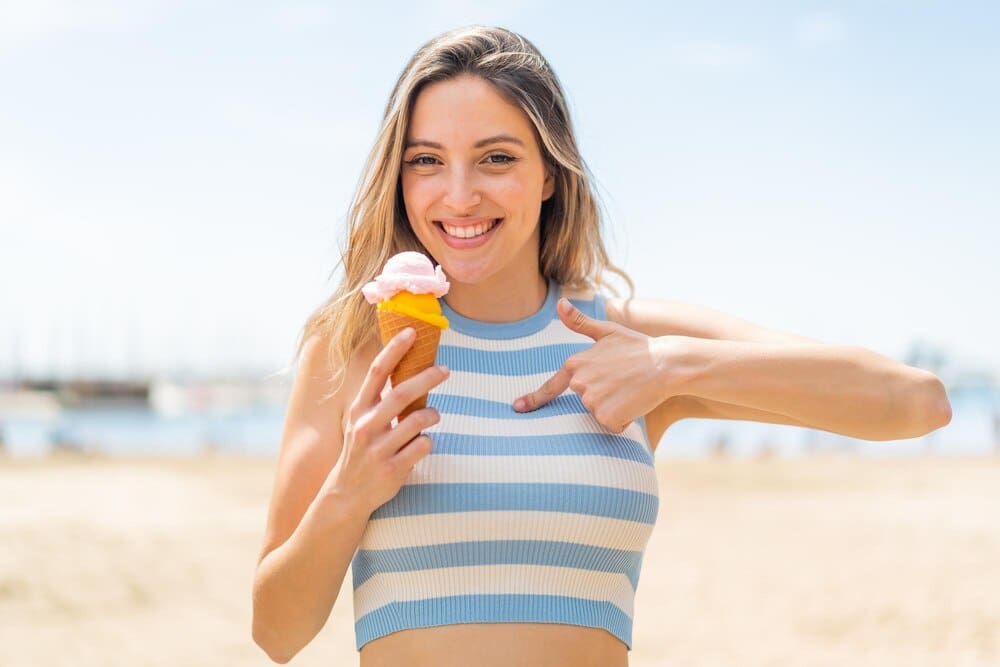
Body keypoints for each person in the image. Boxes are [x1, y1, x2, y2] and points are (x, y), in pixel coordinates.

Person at [251, 25, 953, 666]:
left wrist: (673, 363)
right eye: (426, 160)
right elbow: (275, 633)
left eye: (496, 157)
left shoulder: (628, 343)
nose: (458, 195)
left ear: (551, 174)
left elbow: (916, 402)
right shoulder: (351, 348)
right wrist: (348, 492)